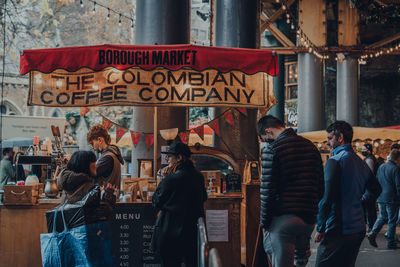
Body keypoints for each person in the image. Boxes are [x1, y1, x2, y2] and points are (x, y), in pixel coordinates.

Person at [257, 115, 324, 267]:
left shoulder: (273, 149)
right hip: (308, 220)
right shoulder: (311, 147)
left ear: (269, 131)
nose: (265, 142)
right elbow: (320, 186)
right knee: (300, 262)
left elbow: (267, 191)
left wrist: (265, 222)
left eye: (264, 138)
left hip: (283, 221)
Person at [314, 121, 382, 267]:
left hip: (338, 228)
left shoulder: (335, 161)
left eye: (330, 138)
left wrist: (320, 228)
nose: (328, 142)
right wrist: (361, 203)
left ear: (340, 138)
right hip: (357, 228)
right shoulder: (360, 161)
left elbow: (326, 199)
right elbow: (376, 189)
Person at [151, 142, 207, 267]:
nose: (168, 160)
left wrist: (163, 179)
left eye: (170, 156)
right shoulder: (199, 177)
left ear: (179, 157)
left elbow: (156, 201)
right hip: (192, 232)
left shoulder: (171, 179)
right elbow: (204, 197)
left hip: (170, 232)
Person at [367, 149, 400, 249]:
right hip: (392, 198)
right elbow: (398, 186)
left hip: (381, 196)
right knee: (392, 220)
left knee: (382, 217)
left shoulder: (381, 166)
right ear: (398, 158)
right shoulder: (396, 169)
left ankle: (372, 234)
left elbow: (376, 180)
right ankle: (390, 242)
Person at [87, 124, 124, 189]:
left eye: (92, 143)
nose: (92, 147)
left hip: (106, 198)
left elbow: (91, 173)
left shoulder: (107, 157)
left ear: (100, 140)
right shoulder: (112, 153)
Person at [361, 143, 379, 232]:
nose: (362, 151)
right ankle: (371, 227)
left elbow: (369, 174)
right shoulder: (369, 158)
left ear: (368, 150)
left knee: (369, 208)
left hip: (369, 188)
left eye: (363, 149)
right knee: (369, 208)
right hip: (370, 188)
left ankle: (371, 227)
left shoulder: (370, 159)